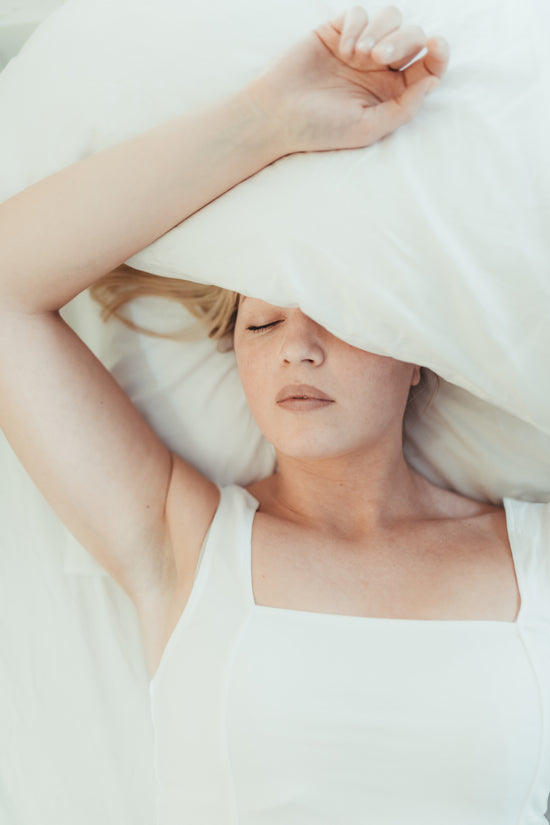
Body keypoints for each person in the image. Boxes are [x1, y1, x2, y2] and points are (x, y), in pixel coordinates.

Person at [1, 6, 549, 824]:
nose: (297, 348)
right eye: (261, 324)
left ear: (415, 359)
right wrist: (269, 117)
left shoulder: (534, 560)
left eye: (339, 318)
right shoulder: (185, 547)